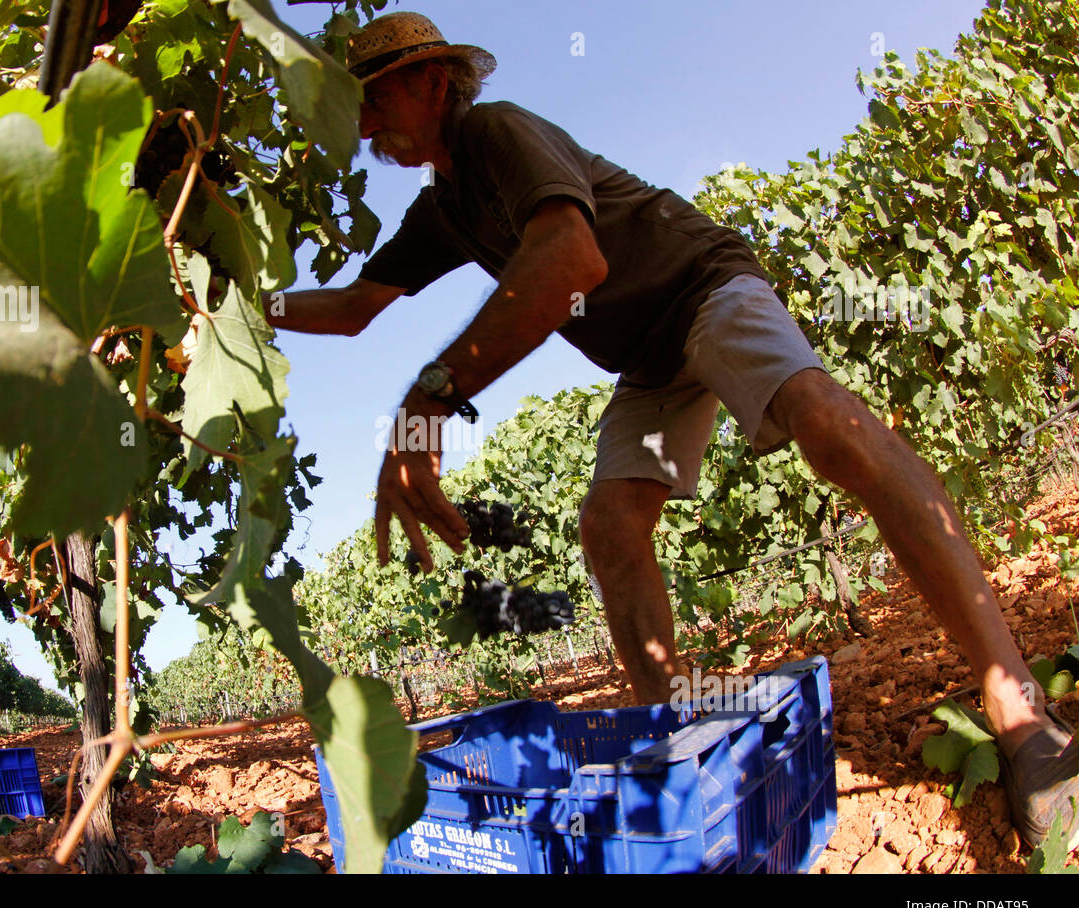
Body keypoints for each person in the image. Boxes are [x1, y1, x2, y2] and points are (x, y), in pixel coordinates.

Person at [274, 11, 1078, 851]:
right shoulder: (444, 212)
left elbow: (570, 259)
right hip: (649, 360)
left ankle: (1022, 715)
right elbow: (355, 307)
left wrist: (428, 403)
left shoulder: (498, 132)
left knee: (822, 422)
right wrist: (242, 308)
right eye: (353, 107)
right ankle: (673, 739)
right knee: (611, 526)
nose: (365, 123)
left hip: (702, 288)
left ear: (435, 80)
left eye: (377, 95)